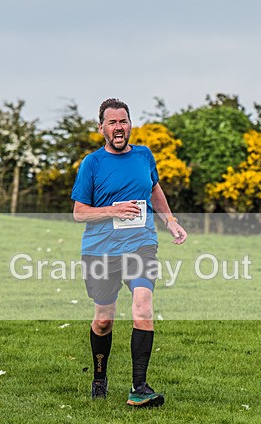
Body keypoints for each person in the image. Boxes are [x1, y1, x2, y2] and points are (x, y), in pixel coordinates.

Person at [71, 98, 187, 407]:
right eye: (112, 122)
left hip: (141, 244)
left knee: (143, 306)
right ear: (102, 129)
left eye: (123, 121)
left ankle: (139, 388)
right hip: (100, 250)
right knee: (103, 320)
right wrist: (114, 210)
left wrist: (170, 221)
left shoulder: (144, 155)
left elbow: (154, 189)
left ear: (130, 125)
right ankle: (99, 377)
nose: (119, 127)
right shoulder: (92, 163)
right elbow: (79, 212)